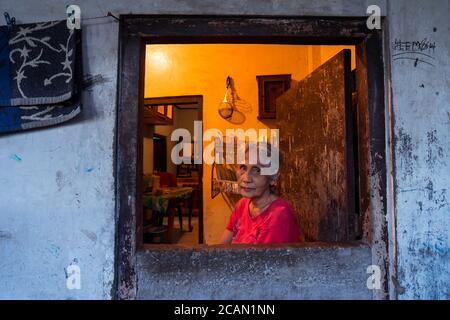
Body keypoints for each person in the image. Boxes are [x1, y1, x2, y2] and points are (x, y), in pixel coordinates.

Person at [220, 141, 300, 244]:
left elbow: (265, 259)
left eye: (257, 170)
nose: (246, 178)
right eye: (243, 167)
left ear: (273, 178)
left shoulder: (279, 215)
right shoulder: (242, 205)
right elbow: (221, 247)